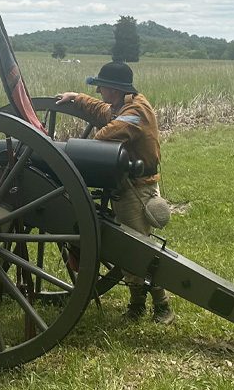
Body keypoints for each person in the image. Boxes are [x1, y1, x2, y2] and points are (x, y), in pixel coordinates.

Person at [56, 61, 175, 325]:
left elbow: (107, 134)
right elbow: (103, 111)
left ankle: (162, 306)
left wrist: (75, 150)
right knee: (130, 247)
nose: (98, 90)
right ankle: (138, 304)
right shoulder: (122, 106)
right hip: (125, 186)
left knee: (137, 248)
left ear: (115, 89)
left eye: (102, 86)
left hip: (138, 189)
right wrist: (77, 98)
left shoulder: (136, 112)